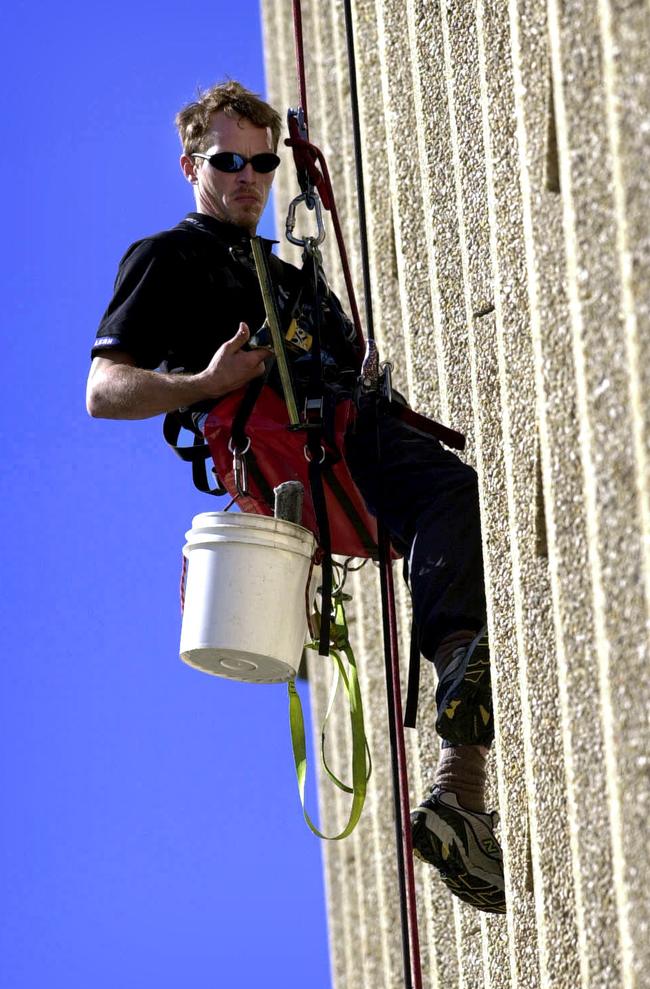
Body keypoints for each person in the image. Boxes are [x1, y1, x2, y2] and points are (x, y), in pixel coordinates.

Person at [86, 80, 505, 915]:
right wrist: (202, 381)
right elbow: (104, 388)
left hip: (337, 450)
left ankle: (461, 791)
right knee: (449, 490)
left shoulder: (295, 279)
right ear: (190, 165)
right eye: (229, 161)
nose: (248, 177)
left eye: (263, 163)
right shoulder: (168, 258)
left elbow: (350, 366)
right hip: (283, 451)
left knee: (447, 512)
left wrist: (367, 377)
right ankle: (457, 677)